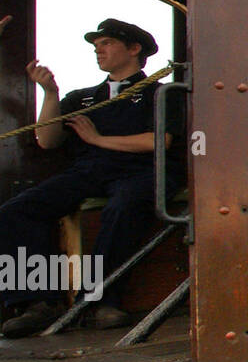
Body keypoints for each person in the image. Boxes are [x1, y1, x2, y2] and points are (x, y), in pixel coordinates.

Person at [0, 19, 181, 338]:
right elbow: (48, 140)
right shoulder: (82, 98)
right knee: (17, 211)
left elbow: (159, 140)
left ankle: (97, 303)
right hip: (90, 172)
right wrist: (51, 93)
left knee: (123, 205)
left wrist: (98, 140)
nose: (99, 51)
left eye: (107, 43)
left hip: (142, 170)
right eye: (96, 46)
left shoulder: (163, 92)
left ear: (134, 49)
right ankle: (36, 302)